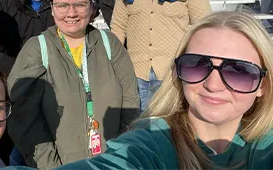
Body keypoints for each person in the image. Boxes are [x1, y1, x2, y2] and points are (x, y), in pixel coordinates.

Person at [55, 10, 273, 170]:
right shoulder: (152, 143)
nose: (213, 85)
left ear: (262, 85)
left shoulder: (265, 146)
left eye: (238, 71)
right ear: (177, 73)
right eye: (196, 64)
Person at [7, 0, 140, 169]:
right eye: (62, 5)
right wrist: (52, 166)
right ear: (52, 9)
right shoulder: (37, 49)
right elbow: (24, 119)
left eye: (80, 4)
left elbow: (130, 102)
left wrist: (119, 152)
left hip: (111, 162)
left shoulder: (109, 43)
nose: (71, 12)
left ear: (92, 7)